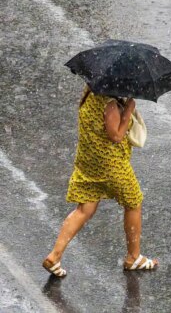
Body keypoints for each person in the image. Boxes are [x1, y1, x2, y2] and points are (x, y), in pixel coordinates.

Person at [42, 86, 158, 277]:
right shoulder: (109, 103)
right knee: (134, 203)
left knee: (84, 209)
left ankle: (54, 256)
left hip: (89, 161)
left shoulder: (89, 93)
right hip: (111, 164)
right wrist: (128, 109)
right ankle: (134, 257)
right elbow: (116, 136)